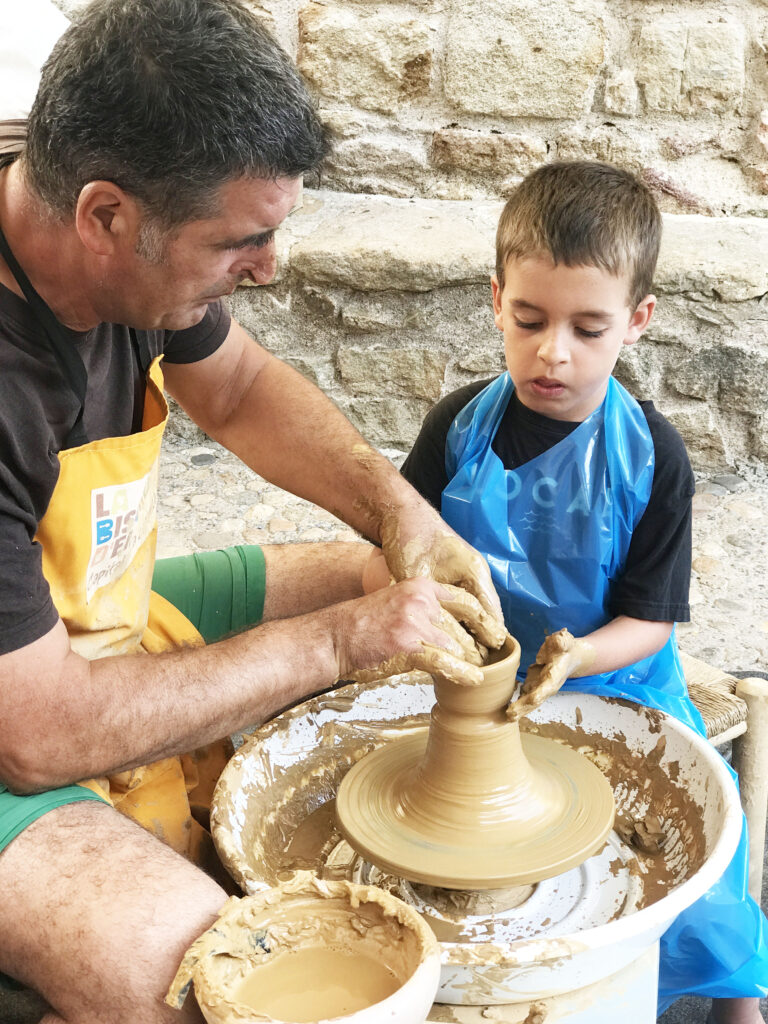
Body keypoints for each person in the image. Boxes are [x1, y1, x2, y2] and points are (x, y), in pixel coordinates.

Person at [0, 2, 506, 1021]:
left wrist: (397, 517)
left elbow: (233, 390)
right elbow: (35, 734)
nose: (269, 268)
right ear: (106, 217)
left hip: (82, 613)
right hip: (19, 711)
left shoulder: (100, 219)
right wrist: (338, 646)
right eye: (241, 242)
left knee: (379, 583)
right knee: (211, 977)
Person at [375, 162, 768, 1023]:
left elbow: (652, 624)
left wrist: (578, 655)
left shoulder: (653, 457)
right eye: (530, 319)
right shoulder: (457, 426)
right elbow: (397, 551)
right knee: (409, 848)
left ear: (638, 322)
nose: (554, 351)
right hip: (469, 680)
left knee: (702, 860)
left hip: (614, 676)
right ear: (496, 302)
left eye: (589, 328)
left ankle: (740, 1001)